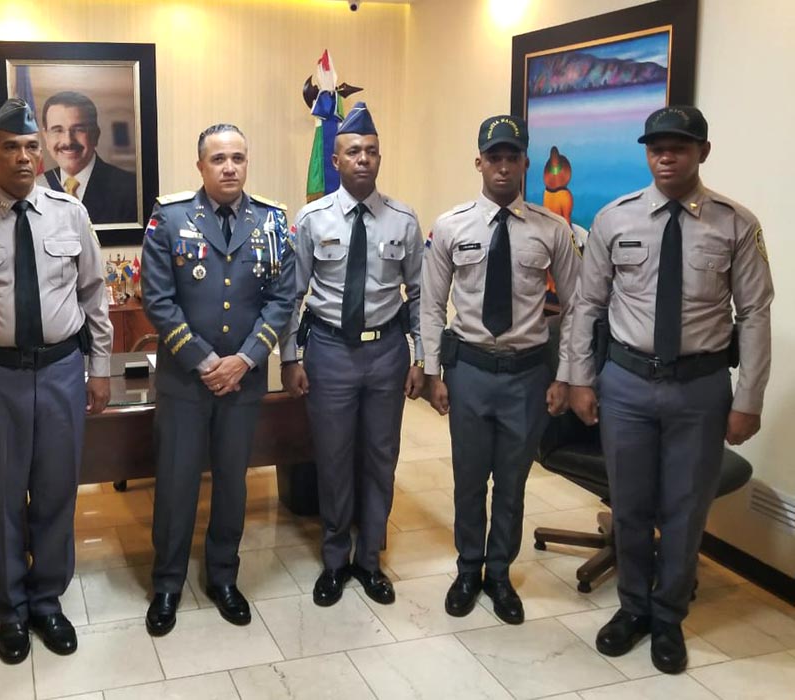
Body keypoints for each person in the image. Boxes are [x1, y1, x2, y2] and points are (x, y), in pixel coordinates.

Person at [569, 105, 773, 674]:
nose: (666, 157)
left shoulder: (736, 224)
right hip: (626, 383)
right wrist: (580, 377)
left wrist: (749, 399)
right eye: (656, 147)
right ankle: (633, 607)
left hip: (700, 388)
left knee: (685, 509)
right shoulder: (614, 219)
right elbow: (588, 304)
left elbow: (755, 314)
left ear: (702, 152)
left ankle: (668, 616)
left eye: (679, 147)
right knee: (630, 504)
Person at [0, 98, 113, 664]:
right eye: (11, 147)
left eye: (32, 146)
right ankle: (9, 608)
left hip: (60, 371)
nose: (24, 157)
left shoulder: (70, 213)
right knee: (0, 496)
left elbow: (94, 294)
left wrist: (99, 368)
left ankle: (47, 600)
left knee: (57, 491)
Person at [421, 115, 581, 626]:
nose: (504, 166)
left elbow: (578, 306)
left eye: (513, 157)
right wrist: (432, 372)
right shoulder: (451, 226)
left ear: (526, 163)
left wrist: (566, 375)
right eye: (495, 157)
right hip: (469, 370)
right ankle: (468, 569)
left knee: (512, 482)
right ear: (479, 162)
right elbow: (431, 304)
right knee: (469, 478)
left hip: (527, 375)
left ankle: (499, 573)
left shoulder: (552, 230)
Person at [140, 123, 296, 636]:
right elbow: (158, 300)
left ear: (247, 162)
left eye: (238, 158)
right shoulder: (169, 218)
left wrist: (245, 360)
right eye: (218, 159)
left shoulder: (272, 221)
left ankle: (224, 576)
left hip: (243, 382)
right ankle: (167, 582)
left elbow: (283, 299)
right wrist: (206, 361)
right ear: (200, 166)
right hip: (186, 382)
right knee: (177, 483)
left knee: (232, 482)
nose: (230, 167)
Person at [280, 102, 424, 607]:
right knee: (334, 458)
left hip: (386, 352)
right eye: (354, 151)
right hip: (329, 352)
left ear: (380, 158)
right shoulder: (312, 218)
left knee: (381, 458)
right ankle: (335, 559)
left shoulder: (404, 220)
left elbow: (420, 294)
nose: (363, 159)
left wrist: (421, 359)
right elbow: (293, 294)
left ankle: (370, 560)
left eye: (371, 151)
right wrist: (290, 358)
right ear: (335, 160)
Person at [38, 90, 139, 225]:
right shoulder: (36, 188)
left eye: (78, 129)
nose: (68, 141)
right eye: (57, 130)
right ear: (45, 137)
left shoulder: (130, 189)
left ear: (95, 135)